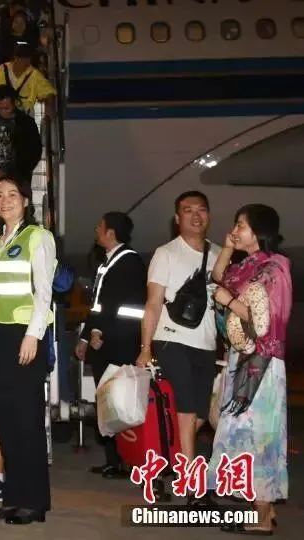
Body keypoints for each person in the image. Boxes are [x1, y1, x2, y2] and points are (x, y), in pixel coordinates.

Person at [0, 175, 56, 524]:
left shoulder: (38, 236)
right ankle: (13, 497)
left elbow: (44, 291)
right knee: (6, 421)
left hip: (24, 335)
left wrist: (33, 335)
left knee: (27, 421)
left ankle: (34, 502)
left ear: (25, 201)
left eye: (12, 195)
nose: (4, 200)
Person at [209, 204, 291, 535]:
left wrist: (228, 301)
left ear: (258, 231)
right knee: (244, 434)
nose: (234, 230)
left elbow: (262, 322)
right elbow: (219, 277)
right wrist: (228, 247)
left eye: (240, 225)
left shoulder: (273, 268)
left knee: (259, 437)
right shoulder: (249, 266)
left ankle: (262, 517)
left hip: (261, 363)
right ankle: (265, 509)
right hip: (243, 359)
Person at [137, 190, 221, 507]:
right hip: (172, 340)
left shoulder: (219, 254)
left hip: (206, 343)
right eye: (188, 210)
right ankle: (194, 488)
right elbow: (153, 303)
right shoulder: (166, 254)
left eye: (201, 210)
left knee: (199, 414)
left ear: (209, 215)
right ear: (177, 218)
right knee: (186, 413)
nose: (195, 216)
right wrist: (145, 347)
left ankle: (168, 456)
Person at [75, 211, 146, 478]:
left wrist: (103, 333)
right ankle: (113, 460)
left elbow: (127, 308)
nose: (96, 230)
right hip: (104, 344)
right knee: (108, 403)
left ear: (111, 233)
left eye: (99, 226)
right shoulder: (109, 262)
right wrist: (86, 336)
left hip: (120, 345)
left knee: (121, 404)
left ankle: (128, 461)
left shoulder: (129, 262)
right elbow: (99, 306)